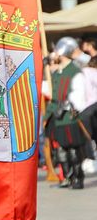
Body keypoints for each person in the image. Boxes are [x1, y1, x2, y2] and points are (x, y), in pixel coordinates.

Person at [45, 37, 89, 189]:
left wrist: (68, 106)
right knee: (61, 150)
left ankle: (78, 178)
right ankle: (66, 179)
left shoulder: (75, 69)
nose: (53, 53)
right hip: (57, 117)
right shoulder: (57, 73)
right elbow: (54, 96)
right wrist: (46, 117)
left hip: (70, 116)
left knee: (74, 149)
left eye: (56, 50)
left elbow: (80, 91)